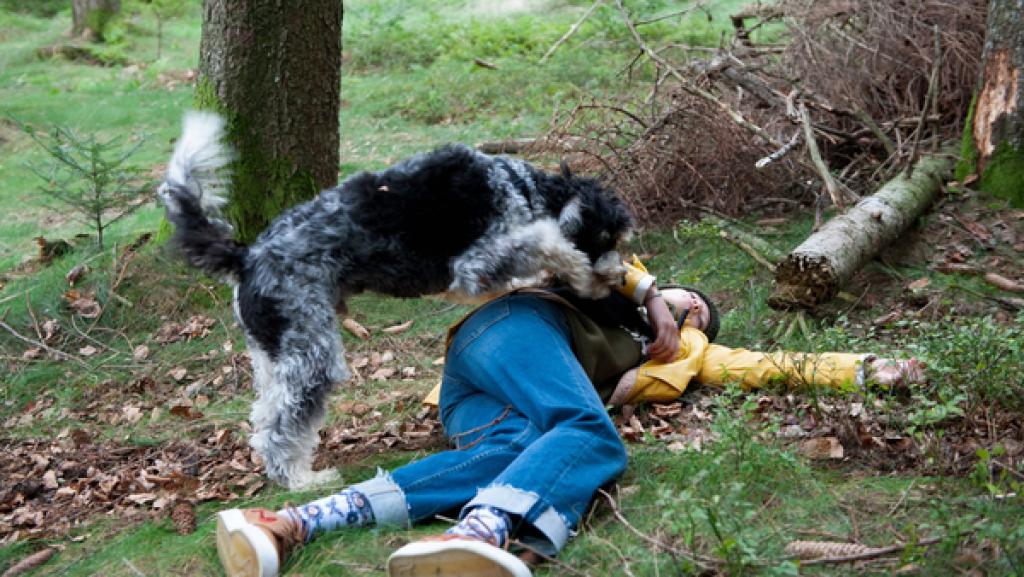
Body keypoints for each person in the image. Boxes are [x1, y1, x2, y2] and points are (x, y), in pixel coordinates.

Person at [213, 260, 924, 577]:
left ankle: (291, 523)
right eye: (687, 300)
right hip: (512, 330)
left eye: (700, 317)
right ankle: (481, 532)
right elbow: (583, 251)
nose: (690, 313)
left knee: (514, 452)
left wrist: (866, 369)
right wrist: (648, 294)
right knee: (590, 435)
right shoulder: (623, 285)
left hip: (484, 396)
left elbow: (762, 365)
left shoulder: (687, 352)